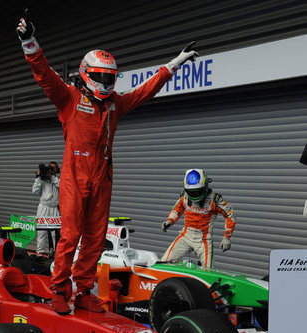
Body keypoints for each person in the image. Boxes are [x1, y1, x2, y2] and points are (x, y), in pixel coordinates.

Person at [16, 10, 198, 314]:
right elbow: (44, 75)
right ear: (87, 73)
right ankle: (60, 289)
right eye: (100, 76)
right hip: (74, 174)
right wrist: (29, 41)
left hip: (103, 175)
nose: (105, 81)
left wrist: (174, 64)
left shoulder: (116, 104)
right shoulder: (69, 98)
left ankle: (84, 289)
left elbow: (146, 90)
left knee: (96, 238)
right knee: (70, 235)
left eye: (109, 77)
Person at [160, 169, 237, 268]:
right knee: (163, 263)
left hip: (204, 239)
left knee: (208, 273)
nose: (194, 194)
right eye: (191, 191)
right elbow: (177, 210)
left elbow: (230, 215)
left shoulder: (215, 199)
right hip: (186, 235)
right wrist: (169, 221)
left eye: (197, 191)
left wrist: (227, 237)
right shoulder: (185, 196)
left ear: (205, 186)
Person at [32, 162, 60, 256]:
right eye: (50, 167)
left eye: (54, 168)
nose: (52, 169)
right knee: (41, 232)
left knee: (55, 233)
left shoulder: (58, 180)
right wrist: (38, 177)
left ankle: (56, 254)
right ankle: (39, 253)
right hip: (43, 207)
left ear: (57, 170)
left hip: (54, 208)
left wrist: (51, 177)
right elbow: (35, 191)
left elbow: (61, 185)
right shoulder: (42, 180)